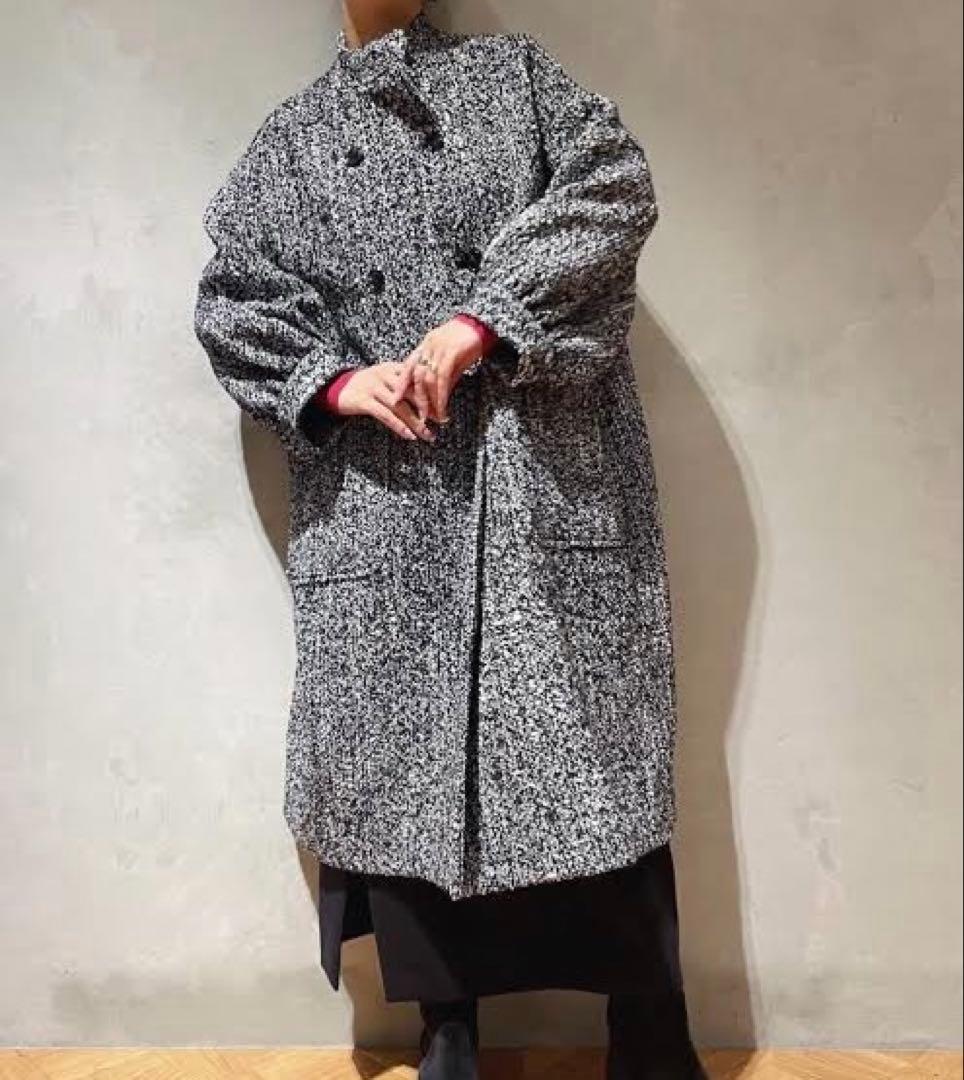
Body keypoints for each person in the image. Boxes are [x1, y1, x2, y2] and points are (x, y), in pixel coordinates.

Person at [193, 1, 707, 1077]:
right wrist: (332, 381)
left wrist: (487, 318)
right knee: (406, 766)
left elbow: (612, 187)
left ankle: (646, 1022)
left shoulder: (516, 80)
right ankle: (448, 1027)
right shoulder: (291, 142)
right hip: (388, 502)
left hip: (543, 485)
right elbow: (234, 300)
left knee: (592, 750)